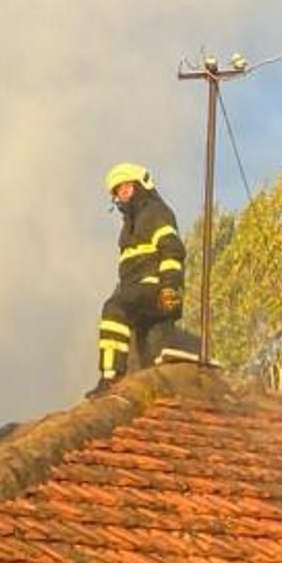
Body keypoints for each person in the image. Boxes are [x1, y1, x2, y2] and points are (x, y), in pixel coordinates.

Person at [88, 162, 191, 397]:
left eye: (126, 188)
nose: (121, 196)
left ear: (140, 186)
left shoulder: (156, 213)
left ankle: (110, 376)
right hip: (135, 290)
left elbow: (172, 250)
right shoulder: (129, 225)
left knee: (114, 309)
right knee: (146, 350)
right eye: (118, 192)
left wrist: (170, 288)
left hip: (153, 287)